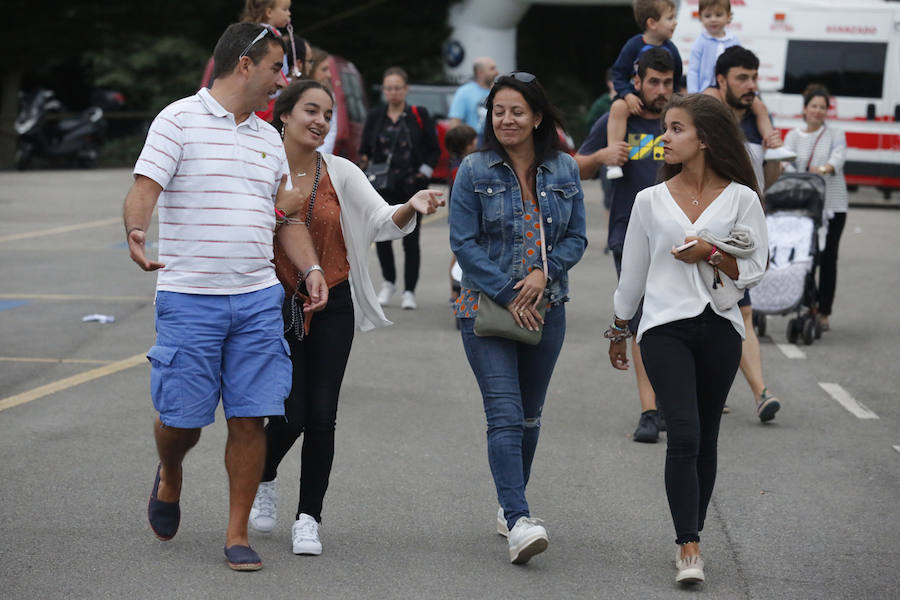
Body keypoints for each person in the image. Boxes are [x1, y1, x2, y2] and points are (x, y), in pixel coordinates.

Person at [123, 22, 329, 572]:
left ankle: (237, 534)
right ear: (245, 64)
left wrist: (310, 267)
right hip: (191, 297)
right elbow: (145, 188)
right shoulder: (178, 120)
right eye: (275, 68)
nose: (281, 80)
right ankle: (170, 473)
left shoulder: (268, 139)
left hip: (257, 298)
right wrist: (136, 232)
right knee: (181, 423)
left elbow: (282, 218)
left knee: (251, 417)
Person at [247, 80, 444, 555]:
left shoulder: (340, 171)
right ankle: (263, 476)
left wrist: (409, 207)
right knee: (290, 413)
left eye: (327, 114)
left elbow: (379, 219)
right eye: (310, 111)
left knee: (322, 415)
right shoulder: (257, 169)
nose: (320, 121)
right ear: (285, 116)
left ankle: (308, 518)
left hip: (333, 302)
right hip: (275, 306)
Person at [609, 93, 768, 585]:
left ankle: (693, 529)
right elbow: (632, 276)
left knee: (708, 438)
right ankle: (688, 544)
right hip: (662, 329)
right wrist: (619, 327)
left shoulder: (743, 198)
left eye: (676, 129)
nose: (665, 138)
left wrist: (712, 254)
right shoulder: (648, 201)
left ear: (704, 138)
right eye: (666, 128)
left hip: (721, 327)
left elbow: (755, 269)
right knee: (685, 432)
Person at [449, 72, 587, 564]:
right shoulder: (473, 169)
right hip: (479, 305)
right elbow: (462, 243)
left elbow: (577, 239)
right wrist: (509, 289)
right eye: (498, 111)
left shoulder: (565, 169)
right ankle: (518, 518)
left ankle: (511, 502)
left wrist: (541, 274)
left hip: (547, 306)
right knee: (504, 413)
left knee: (529, 417)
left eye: (516, 111)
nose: (506, 119)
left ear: (537, 118)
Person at [576, 48, 675, 443]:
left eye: (667, 83)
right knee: (641, 322)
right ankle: (649, 411)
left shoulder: (680, 123)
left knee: (673, 322)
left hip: (680, 236)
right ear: (637, 81)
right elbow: (574, 165)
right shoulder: (616, 119)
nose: (660, 90)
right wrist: (601, 155)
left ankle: (671, 400)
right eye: (654, 81)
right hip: (628, 233)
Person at [704, 46, 783, 421]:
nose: (751, 86)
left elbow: (770, 179)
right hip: (704, 233)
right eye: (742, 78)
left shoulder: (756, 121)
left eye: (754, 77)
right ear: (721, 81)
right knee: (709, 314)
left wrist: (774, 154)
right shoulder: (705, 118)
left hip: (743, 236)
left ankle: (760, 393)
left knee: (742, 311)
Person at [360, 67, 441, 310]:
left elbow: (433, 149)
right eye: (388, 88)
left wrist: (422, 173)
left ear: (406, 89)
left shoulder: (418, 114)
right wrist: (366, 166)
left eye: (397, 88)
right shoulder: (376, 116)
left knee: (411, 238)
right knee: (382, 235)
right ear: (384, 91)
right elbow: (364, 148)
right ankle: (388, 282)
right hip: (383, 186)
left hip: (411, 186)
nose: (393, 93)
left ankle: (409, 290)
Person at [687, 1, 791, 163]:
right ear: (700, 18)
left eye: (718, 15)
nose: (713, 20)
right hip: (709, 87)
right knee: (710, 112)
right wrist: (694, 94)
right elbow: (693, 70)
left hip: (731, 87)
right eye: (708, 16)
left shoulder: (733, 39)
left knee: (761, 108)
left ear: (729, 17)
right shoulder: (700, 43)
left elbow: (741, 60)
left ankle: (772, 145)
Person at [782, 84, 848, 332]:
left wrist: (822, 169)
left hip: (833, 205)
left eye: (823, 107)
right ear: (805, 108)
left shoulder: (836, 133)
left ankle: (824, 311)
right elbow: (785, 163)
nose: (818, 111)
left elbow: (838, 159)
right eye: (814, 106)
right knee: (808, 257)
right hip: (804, 206)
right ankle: (808, 304)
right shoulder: (793, 135)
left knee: (829, 258)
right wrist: (792, 172)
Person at [605, 0, 681, 181]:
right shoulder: (633, 45)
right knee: (618, 108)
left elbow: (676, 79)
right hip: (632, 96)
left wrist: (675, 100)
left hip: (664, 101)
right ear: (652, 23)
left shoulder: (672, 50)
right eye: (670, 18)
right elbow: (619, 73)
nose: (675, 22)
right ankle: (614, 160)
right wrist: (627, 95)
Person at [444, 124, 478, 304]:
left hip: (456, 216)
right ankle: (455, 291)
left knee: (457, 253)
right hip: (461, 217)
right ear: (467, 145)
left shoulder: (456, 163)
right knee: (458, 254)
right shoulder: (463, 167)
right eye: (474, 140)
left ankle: (455, 291)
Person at [448, 56, 498, 136]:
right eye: (492, 69)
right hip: (474, 144)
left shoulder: (498, 91)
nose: (497, 72)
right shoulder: (464, 92)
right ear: (480, 72)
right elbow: (455, 123)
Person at [308, 47, 338, 154]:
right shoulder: (298, 94)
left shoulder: (330, 97)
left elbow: (331, 131)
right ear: (312, 69)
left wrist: (320, 154)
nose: (329, 75)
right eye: (324, 69)